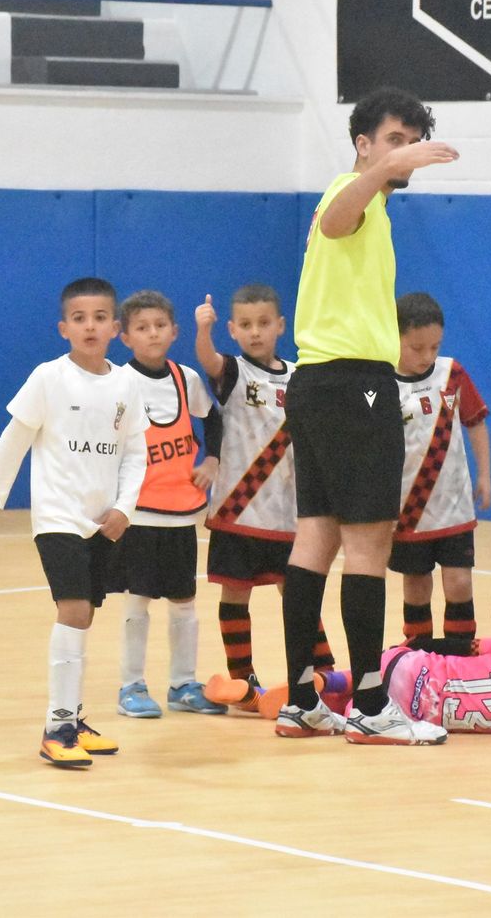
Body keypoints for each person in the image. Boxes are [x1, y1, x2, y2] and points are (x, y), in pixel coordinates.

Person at [278, 85, 459, 746]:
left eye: (412, 140)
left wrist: (385, 174)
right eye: (394, 139)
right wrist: (378, 171)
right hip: (354, 386)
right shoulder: (346, 194)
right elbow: (332, 219)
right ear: (363, 144)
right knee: (367, 545)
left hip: (320, 385)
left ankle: (302, 697)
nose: (406, 151)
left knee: (316, 540)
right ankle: (371, 702)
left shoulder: (375, 210)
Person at [0, 277, 148, 769]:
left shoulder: (126, 384)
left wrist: (124, 509)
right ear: (63, 327)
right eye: (78, 318)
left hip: (103, 521)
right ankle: (57, 726)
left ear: (115, 327)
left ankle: (74, 719)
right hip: (57, 517)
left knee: (86, 615)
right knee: (71, 610)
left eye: (99, 318)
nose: (89, 326)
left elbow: (137, 453)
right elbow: (14, 439)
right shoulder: (48, 377)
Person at [193, 284, 336, 714]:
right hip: (237, 512)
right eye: (246, 325)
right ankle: (243, 679)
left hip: (288, 514)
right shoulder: (234, 372)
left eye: (264, 324)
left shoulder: (299, 376)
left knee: (296, 593)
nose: (256, 333)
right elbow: (209, 360)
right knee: (234, 594)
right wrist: (204, 331)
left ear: (280, 326)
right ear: (233, 329)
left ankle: (323, 671)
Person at [106, 290, 225, 717]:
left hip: (180, 512)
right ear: (125, 336)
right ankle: (131, 686)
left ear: (174, 332)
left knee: (184, 600)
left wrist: (212, 459)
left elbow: (213, 417)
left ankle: (182, 684)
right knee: (137, 600)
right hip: (137, 512)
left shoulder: (185, 378)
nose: (152, 333)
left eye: (159, 326)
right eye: (142, 327)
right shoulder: (118, 383)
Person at [243, 635, 491, 736]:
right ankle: (257, 700)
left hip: (411, 669)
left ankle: (327, 681)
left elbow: (465, 647)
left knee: (367, 676)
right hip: (412, 710)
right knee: (348, 710)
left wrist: (416, 645)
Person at [391, 291, 491, 643]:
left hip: (453, 505)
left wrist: (486, 475)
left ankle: (459, 654)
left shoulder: (452, 373)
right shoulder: (381, 384)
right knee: (416, 584)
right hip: (406, 508)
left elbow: (476, 423)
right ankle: (418, 654)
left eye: (434, 347)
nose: (427, 356)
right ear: (394, 336)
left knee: (460, 581)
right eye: (417, 348)